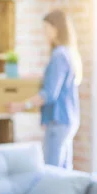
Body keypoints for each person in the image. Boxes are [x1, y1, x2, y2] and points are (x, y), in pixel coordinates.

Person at [7, 9, 82, 169]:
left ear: (56, 29)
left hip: (59, 120)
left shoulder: (59, 55)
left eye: (46, 29)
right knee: (63, 170)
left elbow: (49, 94)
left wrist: (20, 106)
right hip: (67, 119)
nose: (44, 34)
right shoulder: (68, 53)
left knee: (51, 170)